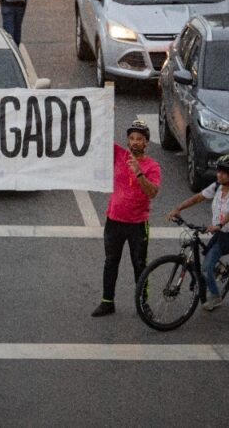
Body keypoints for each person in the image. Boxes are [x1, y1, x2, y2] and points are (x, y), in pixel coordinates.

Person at [167, 155, 229, 325]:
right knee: (206, 269)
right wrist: (178, 208)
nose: (219, 175)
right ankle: (215, 295)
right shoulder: (217, 187)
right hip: (220, 237)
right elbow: (198, 197)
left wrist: (219, 224)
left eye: (224, 173)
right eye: (219, 171)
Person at [91, 120, 161, 317]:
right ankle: (107, 302)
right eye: (132, 138)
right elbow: (100, 138)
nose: (135, 142)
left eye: (139, 139)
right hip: (114, 220)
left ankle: (143, 304)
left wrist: (138, 173)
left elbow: (153, 192)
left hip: (138, 224)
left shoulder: (152, 166)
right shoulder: (119, 155)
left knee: (139, 264)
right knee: (110, 262)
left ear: (146, 142)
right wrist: (106, 112)